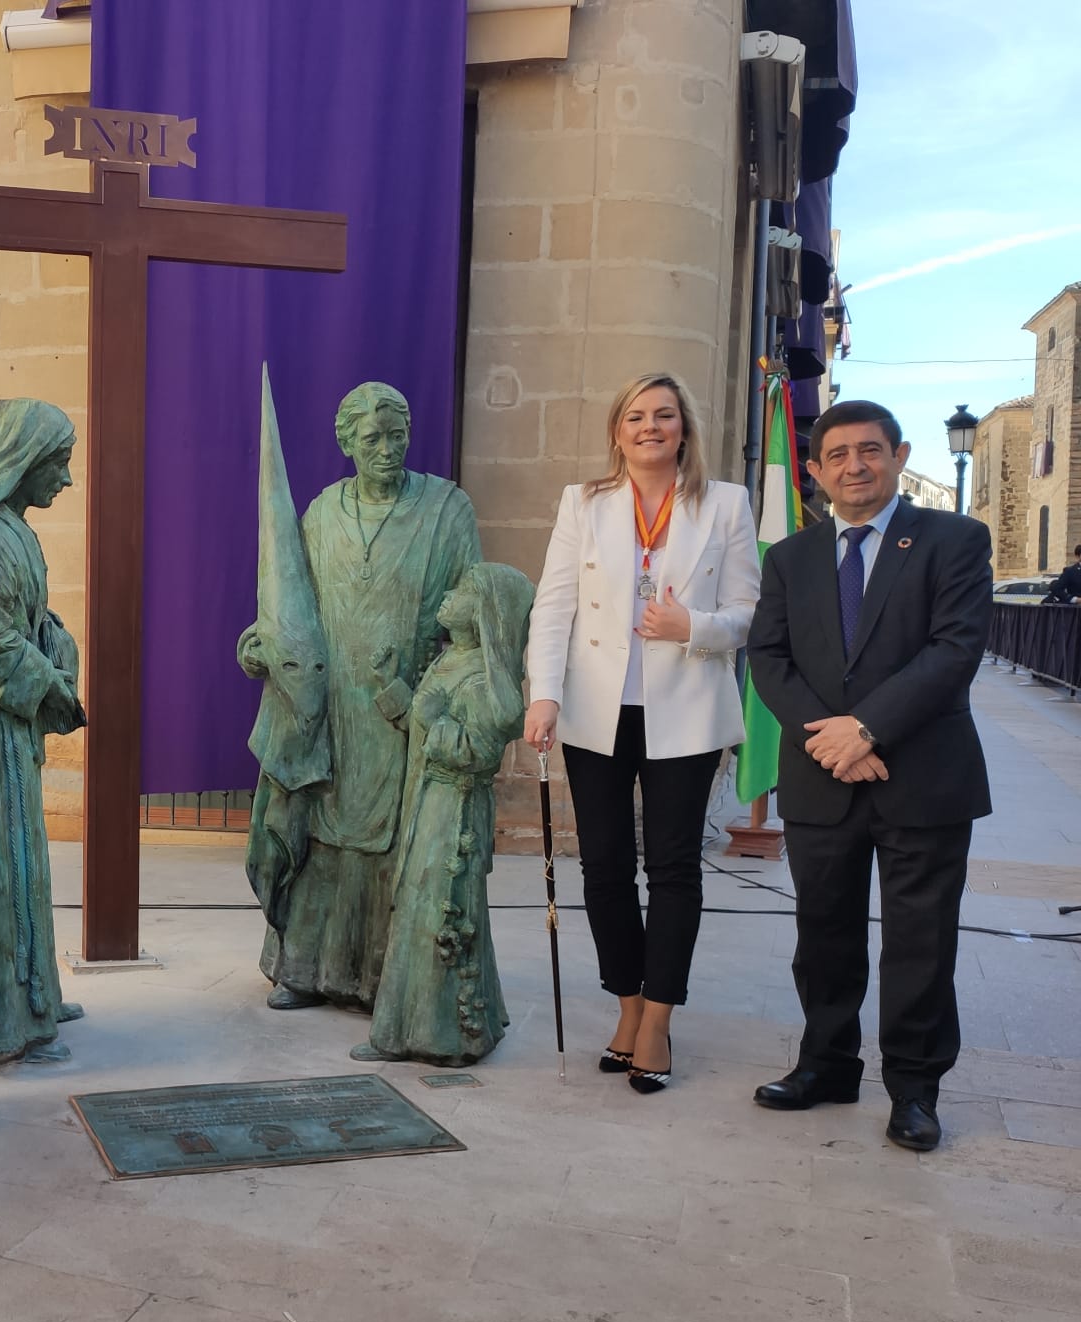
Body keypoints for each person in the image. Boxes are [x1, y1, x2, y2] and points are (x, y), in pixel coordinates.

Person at [746, 399, 994, 1151]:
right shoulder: (790, 558)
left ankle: (914, 1091)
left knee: (920, 942)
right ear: (815, 472)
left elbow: (955, 650)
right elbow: (768, 657)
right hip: (823, 780)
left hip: (923, 778)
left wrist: (867, 729)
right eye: (839, 454)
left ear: (898, 454)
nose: (856, 465)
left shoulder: (955, 540)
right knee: (823, 934)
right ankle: (826, 1065)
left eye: (872, 451)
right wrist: (833, 744)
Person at [523, 372, 760, 1094]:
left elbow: (751, 610)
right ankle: (626, 1006)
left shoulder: (725, 504)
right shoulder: (584, 504)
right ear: (617, 432)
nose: (650, 426)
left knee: (674, 869)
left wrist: (695, 628)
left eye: (663, 415)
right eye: (635, 416)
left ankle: (658, 1020)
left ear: (683, 427)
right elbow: (554, 606)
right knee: (602, 868)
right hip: (596, 712)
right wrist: (543, 694)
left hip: (686, 711)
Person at [239, 381, 481, 1015]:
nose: (386, 449)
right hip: (331, 708)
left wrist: (427, 687)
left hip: (404, 705)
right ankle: (304, 967)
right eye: (371, 438)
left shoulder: (446, 510)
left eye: (396, 435)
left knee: (392, 837)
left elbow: (473, 611)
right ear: (346, 442)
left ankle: (385, 978)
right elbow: (291, 606)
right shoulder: (321, 513)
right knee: (323, 828)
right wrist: (258, 647)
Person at [0, 398, 88, 1064]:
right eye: (58, 464)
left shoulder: (16, 530)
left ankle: (32, 996)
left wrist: (59, 644)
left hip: (12, 717)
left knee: (22, 863)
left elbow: (33, 620)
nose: (65, 479)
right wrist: (53, 688)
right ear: (24, 461)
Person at [360, 563, 536, 1065]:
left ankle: (448, 1036)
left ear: (483, 612)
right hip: (428, 802)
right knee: (415, 906)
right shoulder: (449, 662)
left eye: (461, 589)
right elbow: (417, 723)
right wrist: (388, 685)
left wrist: (434, 717)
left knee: (443, 910)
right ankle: (408, 1028)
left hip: (455, 809)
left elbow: (477, 750)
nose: (447, 594)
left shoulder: (487, 680)